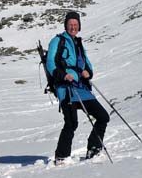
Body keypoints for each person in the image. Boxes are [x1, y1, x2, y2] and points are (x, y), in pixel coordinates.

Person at [46, 11, 109, 165]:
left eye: (75, 25)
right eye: (70, 24)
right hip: (66, 88)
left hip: (81, 88)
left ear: (79, 27)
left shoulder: (79, 43)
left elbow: (87, 64)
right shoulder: (58, 41)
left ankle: (93, 149)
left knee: (103, 116)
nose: (73, 27)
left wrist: (89, 72)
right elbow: (50, 63)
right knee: (71, 123)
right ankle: (61, 156)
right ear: (66, 26)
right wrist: (63, 76)